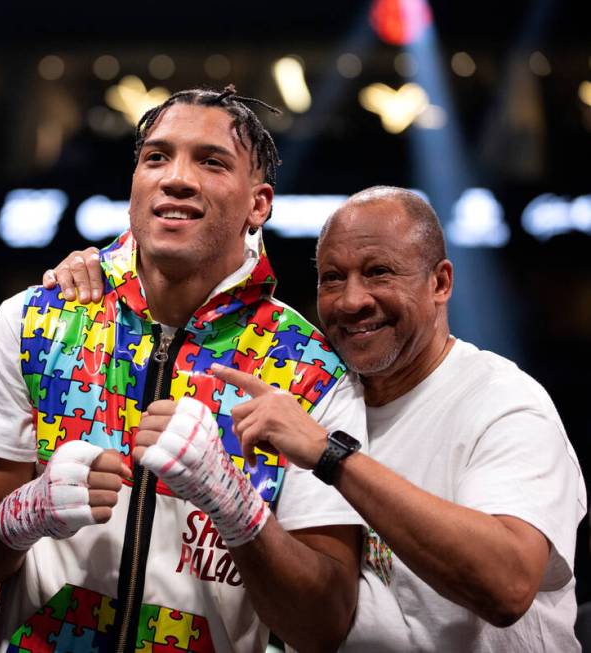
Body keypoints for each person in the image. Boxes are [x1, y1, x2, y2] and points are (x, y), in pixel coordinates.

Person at [0, 86, 368, 653]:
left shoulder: (310, 371)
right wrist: (25, 515)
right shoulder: (35, 322)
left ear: (259, 204)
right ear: (134, 186)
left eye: (212, 161)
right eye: (157, 156)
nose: (176, 177)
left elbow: (323, 626)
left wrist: (235, 505)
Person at [210, 186, 587, 651]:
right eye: (332, 278)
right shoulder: (313, 399)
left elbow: (506, 585)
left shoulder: (504, 403)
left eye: (379, 272)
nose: (351, 301)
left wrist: (331, 456)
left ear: (440, 283)